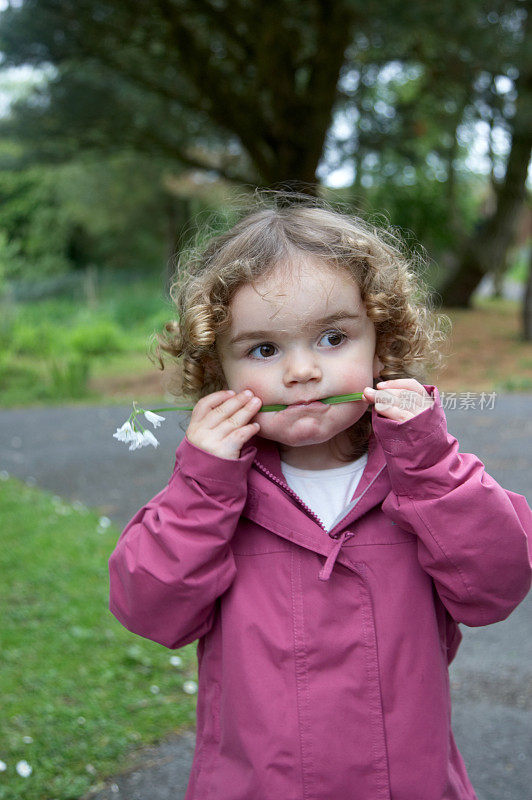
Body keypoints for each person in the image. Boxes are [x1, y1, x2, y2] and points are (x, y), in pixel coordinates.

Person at [108, 193, 532, 800]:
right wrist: (202, 487)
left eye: (333, 338)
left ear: (381, 346)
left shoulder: (424, 474)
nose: (302, 371)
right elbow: (150, 609)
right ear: (217, 374)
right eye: (263, 349)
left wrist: (432, 466)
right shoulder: (212, 492)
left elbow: (495, 586)